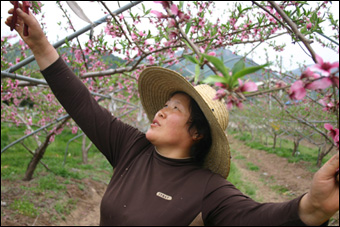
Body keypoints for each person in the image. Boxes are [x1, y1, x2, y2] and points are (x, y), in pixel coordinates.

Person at [5, 4, 339, 226]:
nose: (162, 112)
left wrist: (314, 207)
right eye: (165, 105)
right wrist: (40, 46)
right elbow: (81, 104)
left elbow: (260, 218)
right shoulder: (130, 148)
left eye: (175, 108)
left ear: (197, 132)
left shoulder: (210, 191)